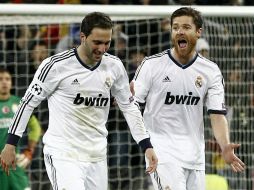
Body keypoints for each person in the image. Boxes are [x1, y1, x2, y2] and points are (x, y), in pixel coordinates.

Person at [0, 12, 157, 190]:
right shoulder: (55, 65)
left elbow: (129, 107)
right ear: (82, 37)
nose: (102, 48)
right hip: (63, 153)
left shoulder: (114, 66)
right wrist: (11, 143)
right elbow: (27, 104)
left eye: (107, 43)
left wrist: (146, 145)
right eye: (97, 42)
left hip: (96, 155)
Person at [130, 7, 245, 190]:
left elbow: (216, 114)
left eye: (185, 27)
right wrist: (146, 143)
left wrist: (224, 145)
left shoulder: (210, 71)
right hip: (162, 153)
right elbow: (132, 106)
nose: (179, 31)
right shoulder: (151, 65)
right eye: (175, 27)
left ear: (198, 32)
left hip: (195, 157)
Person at [0, 67, 41, 190]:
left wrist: (30, 150)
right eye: (0, 79)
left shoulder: (19, 104)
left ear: (12, 82)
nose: (4, 82)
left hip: (14, 166)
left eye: (7, 79)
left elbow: (36, 128)